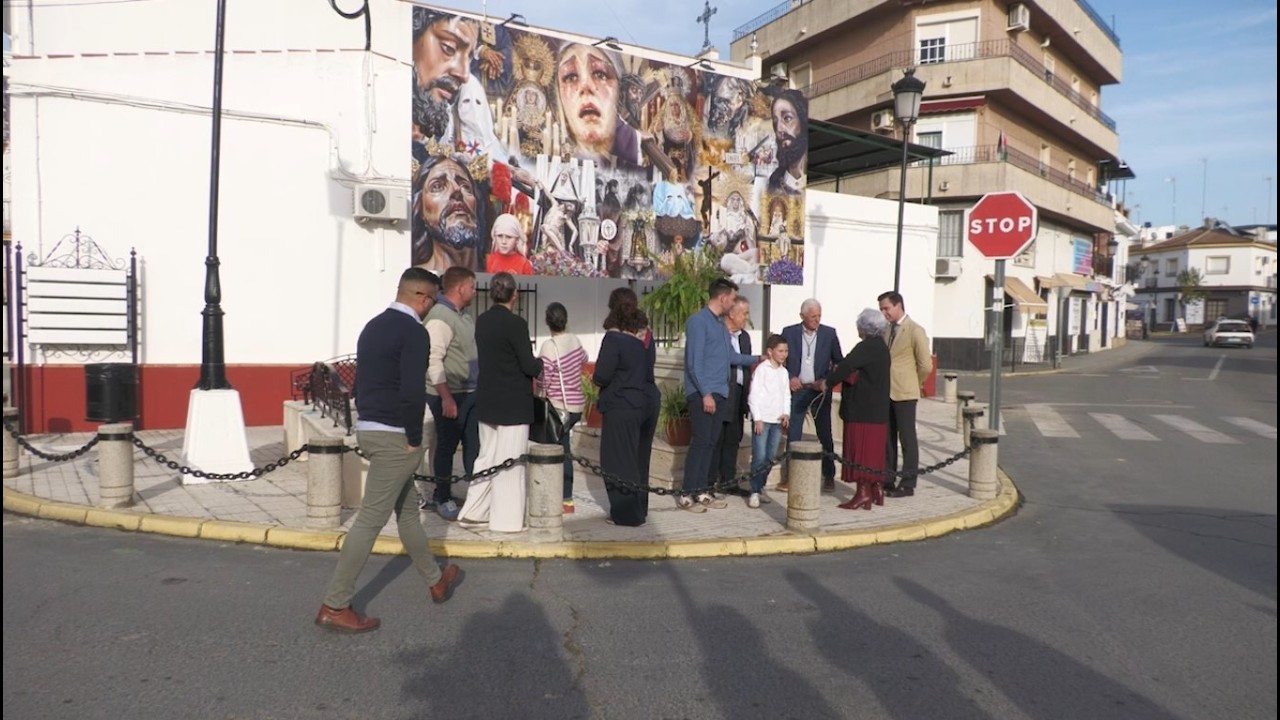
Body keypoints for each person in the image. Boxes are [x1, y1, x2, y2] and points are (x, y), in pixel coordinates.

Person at [315, 267, 463, 633]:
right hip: (397, 434)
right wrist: (415, 436)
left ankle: (435, 579)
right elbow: (413, 389)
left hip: (370, 427)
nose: (432, 308)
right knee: (370, 520)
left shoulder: (373, 326)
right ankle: (335, 604)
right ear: (423, 298)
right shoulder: (414, 332)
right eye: (433, 301)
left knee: (408, 512)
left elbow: (364, 382)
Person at [459, 273, 543, 532]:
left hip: (488, 398)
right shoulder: (516, 323)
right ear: (514, 294)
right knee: (511, 462)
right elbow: (528, 365)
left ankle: (474, 512)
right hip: (512, 403)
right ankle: (506, 521)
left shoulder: (482, 321)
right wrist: (541, 363)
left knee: (485, 457)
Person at [680, 278, 758, 512]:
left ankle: (702, 490)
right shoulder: (698, 322)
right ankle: (687, 493)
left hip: (721, 393)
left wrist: (759, 359)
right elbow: (694, 363)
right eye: (733, 299)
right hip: (704, 393)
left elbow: (731, 358)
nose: (733, 304)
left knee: (711, 444)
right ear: (723, 298)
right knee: (701, 443)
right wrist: (705, 394)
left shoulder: (720, 326)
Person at [594, 297, 659, 526]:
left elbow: (601, 375)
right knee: (636, 460)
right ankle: (638, 510)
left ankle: (625, 515)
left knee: (617, 461)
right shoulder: (641, 343)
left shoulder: (614, 340)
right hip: (642, 402)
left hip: (620, 405)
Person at [422, 266, 480, 520]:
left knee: (473, 446)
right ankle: (442, 497)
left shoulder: (463, 316)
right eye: (473, 286)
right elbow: (433, 361)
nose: (475, 291)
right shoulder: (439, 318)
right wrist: (446, 397)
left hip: (470, 393)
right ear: (460, 288)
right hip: (450, 396)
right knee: (446, 446)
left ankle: (476, 496)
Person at [828, 308, 892, 511]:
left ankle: (862, 492)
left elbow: (845, 366)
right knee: (874, 453)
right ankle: (876, 489)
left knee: (861, 452)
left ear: (864, 327)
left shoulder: (865, 347)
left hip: (862, 410)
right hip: (878, 411)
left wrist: (826, 383)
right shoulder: (882, 347)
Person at [781, 299, 843, 493]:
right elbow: (780, 359)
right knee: (793, 434)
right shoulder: (789, 332)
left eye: (819, 316)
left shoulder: (829, 334)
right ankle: (791, 476)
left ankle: (829, 475)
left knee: (825, 434)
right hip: (798, 391)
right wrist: (790, 377)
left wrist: (827, 381)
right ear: (802, 317)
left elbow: (839, 362)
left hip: (819, 392)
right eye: (813, 316)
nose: (817, 320)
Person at [878, 291, 933, 498]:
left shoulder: (915, 330)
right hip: (888, 391)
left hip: (906, 392)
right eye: (882, 309)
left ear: (898, 305)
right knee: (888, 438)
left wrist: (914, 383)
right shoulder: (887, 330)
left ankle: (908, 482)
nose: (884, 313)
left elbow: (925, 365)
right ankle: (888, 478)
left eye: (887, 308)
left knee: (907, 438)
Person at [555, 41, 644, 168]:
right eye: (571, 77)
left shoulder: (635, 145)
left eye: (600, 74)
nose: (586, 87)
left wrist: (636, 137)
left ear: (619, 92)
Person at [538, 302, 589, 514]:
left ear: (547, 322)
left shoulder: (549, 346)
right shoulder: (575, 340)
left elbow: (545, 378)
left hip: (559, 407)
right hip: (576, 406)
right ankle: (566, 500)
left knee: (556, 452)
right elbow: (584, 359)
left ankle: (557, 497)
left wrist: (540, 395)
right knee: (565, 449)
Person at [412, 153, 482, 273]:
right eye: (437, 186)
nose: (456, 189)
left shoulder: (495, 275)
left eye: (465, 186)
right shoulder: (416, 280)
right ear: (420, 209)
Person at [714, 296, 753, 498]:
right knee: (717, 439)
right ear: (731, 313)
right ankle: (710, 481)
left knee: (733, 439)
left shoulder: (745, 337)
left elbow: (745, 369)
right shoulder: (719, 334)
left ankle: (728, 481)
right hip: (721, 393)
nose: (747, 317)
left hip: (738, 394)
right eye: (744, 313)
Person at [746, 334, 791, 508]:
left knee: (770, 456)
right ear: (770, 352)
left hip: (777, 420)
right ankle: (754, 490)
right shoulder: (762, 369)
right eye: (780, 351)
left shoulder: (784, 372)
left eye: (786, 351)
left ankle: (761, 486)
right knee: (759, 456)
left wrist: (786, 413)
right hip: (763, 420)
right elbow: (754, 395)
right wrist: (757, 418)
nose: (784, 354)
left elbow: (786, 394)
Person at [767, 88, 808, 195]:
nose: (779, 129)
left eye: (787, 118)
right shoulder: (774, 185)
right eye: (776, 122)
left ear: (802, 121)